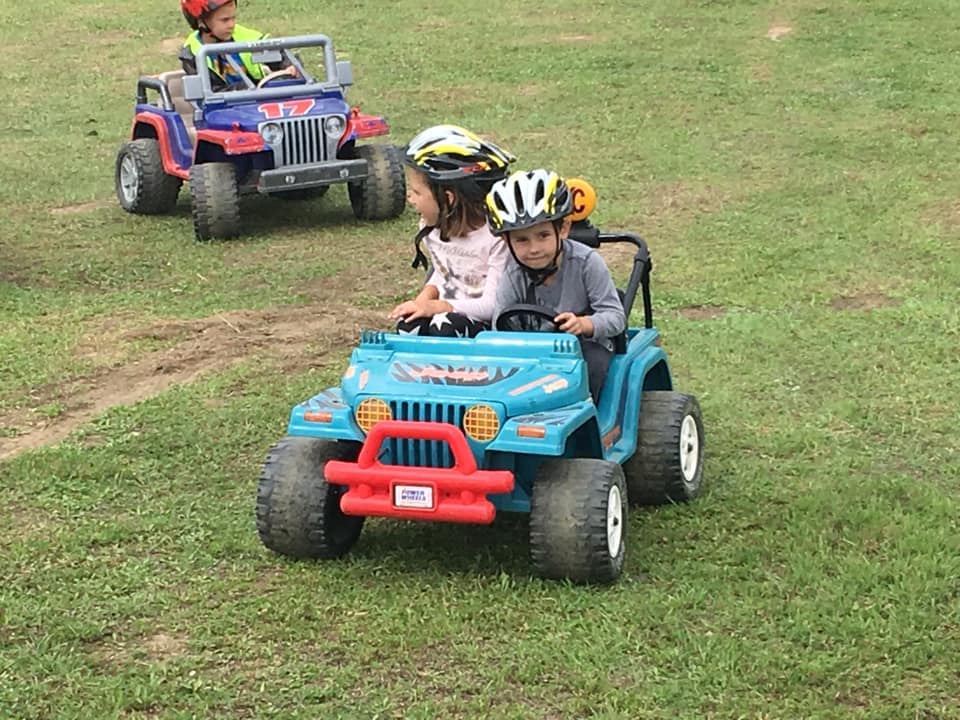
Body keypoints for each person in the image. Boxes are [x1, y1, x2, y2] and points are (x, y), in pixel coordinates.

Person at [487, 169, 626, 402]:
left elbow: (615, 316)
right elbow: (499, 326)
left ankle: (587, 419)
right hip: (534, 350)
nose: (534, 248)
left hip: (584, 347)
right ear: (505, 240)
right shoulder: (512, 273)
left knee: (589, 362)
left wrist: (583, 323)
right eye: (522, 239)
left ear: (562, 229)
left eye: (542, 236)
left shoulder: (586, 263)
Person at [388, 125, 515, 337]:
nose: (409, 198)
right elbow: (445, 273)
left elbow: (492, 305)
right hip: (447, 313)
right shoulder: (432, 230)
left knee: (444, 324)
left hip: (486, 328)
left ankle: (448, 371)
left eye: (417, 192)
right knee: (409, 326)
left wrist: (439, 306)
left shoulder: (496, 239)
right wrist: (424, 299)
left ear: (448, 198)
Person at [178, 0, 295, 92]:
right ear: (201, 22)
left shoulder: (246, 37)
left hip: (259, 100)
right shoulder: (192, 54)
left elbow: (277, 52)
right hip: (223, 110)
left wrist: (289, 65)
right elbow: (211, 93)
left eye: (233, 18)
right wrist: (251, 87)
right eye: (225, 20)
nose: (231, 25)